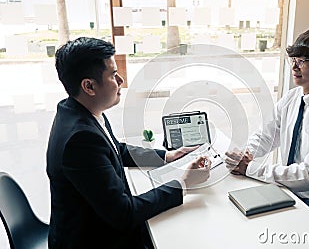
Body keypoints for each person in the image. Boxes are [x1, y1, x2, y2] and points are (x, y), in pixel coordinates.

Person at [46, 37, 211, 249]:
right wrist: (184, 182)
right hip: (91, 240)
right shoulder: (80, 140)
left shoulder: (77, 110)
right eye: (113, 75)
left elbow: (115, 149)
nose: (121, 80)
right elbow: (124, 214)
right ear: (89, 86)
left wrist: (166, 156)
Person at [225, 28, 309, 230]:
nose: (294, 67)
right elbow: (266, 135)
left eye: (302, 61)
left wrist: (249, 168)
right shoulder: (292, 98)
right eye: (293, 59)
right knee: (236, 219)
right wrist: (245, 154)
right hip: (289, 191)